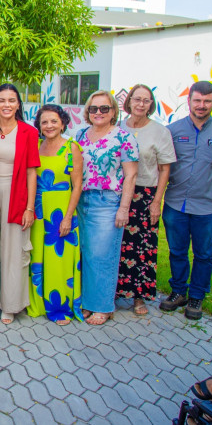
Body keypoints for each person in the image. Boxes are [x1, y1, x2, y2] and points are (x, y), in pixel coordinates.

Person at [159, 80, 212, 320]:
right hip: (175, 204)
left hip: (207, 206)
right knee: (177, 251)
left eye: (206, 101)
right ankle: (178, 292)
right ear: (189, 101)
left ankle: (196, 297)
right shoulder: (172, 131)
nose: (201, 105)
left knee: (204, 254)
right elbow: (165, 164)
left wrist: (209, 179)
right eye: (197, 100)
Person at [75, 90, 138, 326]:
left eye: (104, 108)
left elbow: (131, 176)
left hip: (108, 201)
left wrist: (124, 208)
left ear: (113, 111)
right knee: (87, 254)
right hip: (82, 200)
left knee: (103, 255)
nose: (98, 113)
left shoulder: (123, 138)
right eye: (94, 109)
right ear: (88, 112)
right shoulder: (80, 135)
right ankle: (89, 301)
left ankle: (103, 306)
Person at [0, 84, 40, 325]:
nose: (7, 104)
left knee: (13, 249)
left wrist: (29, 207)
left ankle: (10, 304)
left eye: (12, 100)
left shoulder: (28, 132)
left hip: (15, 193)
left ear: (18, 104)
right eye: (2, 100)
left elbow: (31, 172)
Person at [116, 85, 176, 316]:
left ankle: (139, 297)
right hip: (118, 192)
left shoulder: (160, 132)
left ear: (151, 104)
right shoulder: (118, 127)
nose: (141, 104)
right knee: (119, 244)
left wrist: (156, 201)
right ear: (129, 101)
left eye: (146, 100)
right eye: (137, 99)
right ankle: (115, 291)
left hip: (145, 194)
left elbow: (164, 169)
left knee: (143, 247)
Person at [27, 105, 84, 325]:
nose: (49, 126)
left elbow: (77, 186)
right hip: (39, 211)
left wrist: (68, 217)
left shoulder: (71, 148)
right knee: (38, 260)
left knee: (59, 261)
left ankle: (60, 308)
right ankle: (39, 303)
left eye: (53, 121)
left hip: (61, 212)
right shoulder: (37, 146)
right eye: (44, 122)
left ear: (62, 122)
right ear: (39, 126)